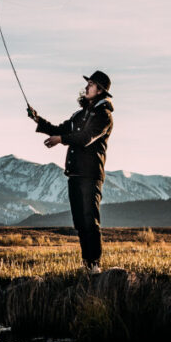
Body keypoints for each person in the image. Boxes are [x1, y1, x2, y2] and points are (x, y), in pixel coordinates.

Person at [27, 70, 114, 274]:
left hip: (90, 175)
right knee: (80, 222)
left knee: (90, 220)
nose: (86, 87)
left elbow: (86, 138)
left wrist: (61, 140)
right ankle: (87, 264)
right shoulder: (79, 115)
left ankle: (94, 265)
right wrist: (37, 119)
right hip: (74, 174)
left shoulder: (104, 116)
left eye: (91, 84)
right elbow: (60, 129)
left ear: (100, 90)